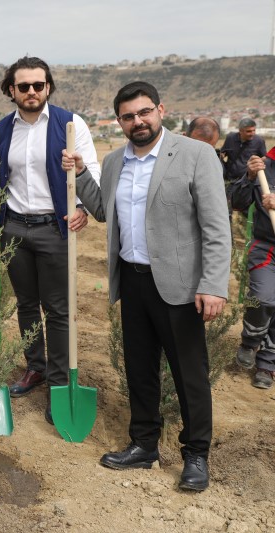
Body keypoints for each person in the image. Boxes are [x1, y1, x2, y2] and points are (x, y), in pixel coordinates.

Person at [64, 81, 231, 492]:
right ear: (119, 122)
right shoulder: (114, 161)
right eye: (128, 116)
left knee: (189, 374)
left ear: (160, 110)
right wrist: (82, 173)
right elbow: (103, 210)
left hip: (180, 287)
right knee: (139, 369)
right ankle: (143, 444)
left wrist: (213, 284)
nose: (137, 121)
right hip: (133, 280)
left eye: (144, 112)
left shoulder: (196, 155)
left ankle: (196, 454)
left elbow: (216, 226)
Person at [0, 56, 99, 425]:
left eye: (38, 85)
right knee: (26, 304)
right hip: (14, 228)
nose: (31, 91)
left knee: (58, 309)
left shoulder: (70, 124)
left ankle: (60, 382)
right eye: (24, 86)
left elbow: (91, 169)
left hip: (54, 227)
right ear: (12, 90)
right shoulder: (1, 130)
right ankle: (35, 367)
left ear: (48, 87)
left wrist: (82, 206)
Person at [228, 154, 275, 390]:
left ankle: (267, 364)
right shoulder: (264, 166)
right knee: (262, 297)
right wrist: (248, 177)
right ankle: (250, 341)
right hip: (267, 247)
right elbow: (237, 203)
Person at [220, 118, 266, 183]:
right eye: (248, 131)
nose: (252, 133)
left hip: (246, 181)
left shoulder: (259, 141)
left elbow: (264, 159)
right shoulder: (230, 138)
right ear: (240, 131)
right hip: (230, 179)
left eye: (254, 130)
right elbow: (223, 152)